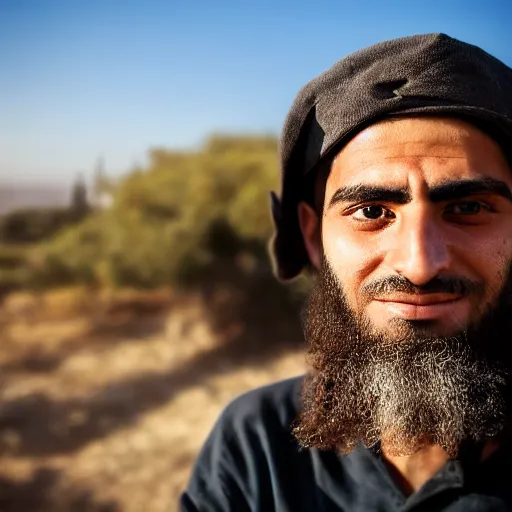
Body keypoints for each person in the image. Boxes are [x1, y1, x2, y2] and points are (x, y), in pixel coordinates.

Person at [180, 33, 512, 511]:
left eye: (468, 206)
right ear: (314, 238)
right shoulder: (258, 447)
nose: (418, 266)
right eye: (372, 211)